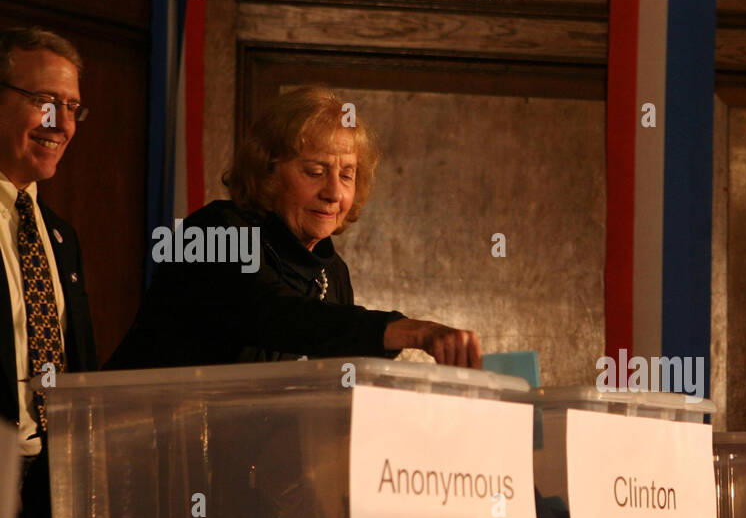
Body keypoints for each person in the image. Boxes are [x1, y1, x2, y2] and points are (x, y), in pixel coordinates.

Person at [107, 85, 481, 369]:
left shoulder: (332, 272)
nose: (334, 192)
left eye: (347, 175)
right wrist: (409, 331)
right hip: (159, 450)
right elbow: (271, 312)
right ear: (268, 172)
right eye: (315, 172)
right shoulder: (211, 233)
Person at [0, 27, 98, 518]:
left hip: (54, 494)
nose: (60, 124)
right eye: (44, 102)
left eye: (73, 108)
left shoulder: (59, 236)